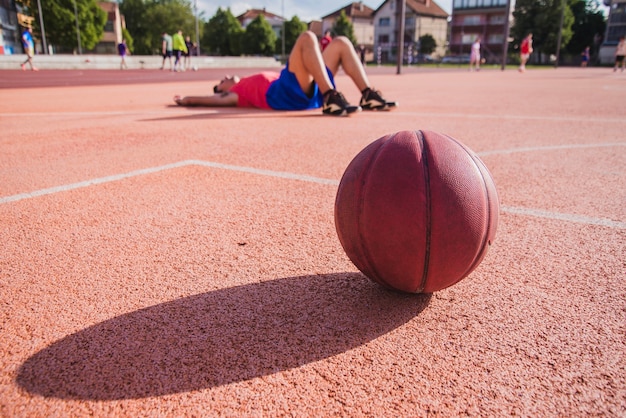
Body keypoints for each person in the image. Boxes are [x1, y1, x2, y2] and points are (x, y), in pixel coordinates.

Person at [173, 31, 396, 117]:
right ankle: (331, 98)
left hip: (303, 85)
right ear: (223, 89)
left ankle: (367, 94)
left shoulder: (247, 82)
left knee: (340, 43)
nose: (226, 78)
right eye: (221, 81)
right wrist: (186, 100)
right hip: (285, 93)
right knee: (306, 37)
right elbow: (212, 99)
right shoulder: (236, 93)